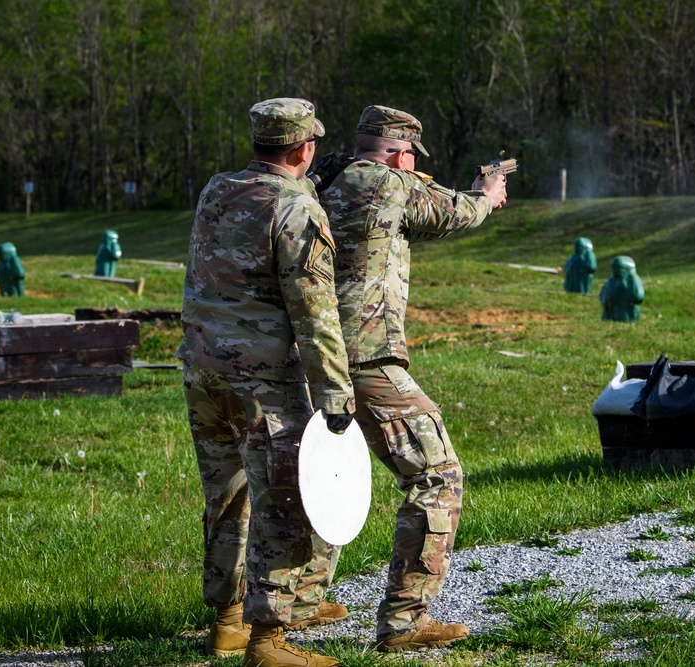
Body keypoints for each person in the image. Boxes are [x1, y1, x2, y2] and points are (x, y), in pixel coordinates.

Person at [316, 105, 507, 652]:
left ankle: (302, 604)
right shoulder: (389, 184)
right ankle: (404, 620)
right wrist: (486, 194)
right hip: (367, 357)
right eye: (408, 157)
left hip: (314, 356)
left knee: (324, 476)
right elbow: (454, 213)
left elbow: (403, 223)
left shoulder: (327, 180)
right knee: (437, 474)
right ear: (401, 154)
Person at [176, 97, 354, 667]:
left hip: (203, 370)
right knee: (283, 502)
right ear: (304, 148)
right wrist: (335, 394)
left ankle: (226, 622)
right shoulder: (298, 209)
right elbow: (315, 310)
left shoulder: (215, 189)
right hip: (262, 382)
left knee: (226, 498)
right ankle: (268, 642)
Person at [599, 255, 644, 323]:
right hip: (611, 309)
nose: (616, 270)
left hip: (625, 309)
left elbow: (638, 295)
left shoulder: (632, 279)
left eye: (619, 268)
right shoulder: (612, 280)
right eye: (614, 268)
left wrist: (623, 293)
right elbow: (603, 293)